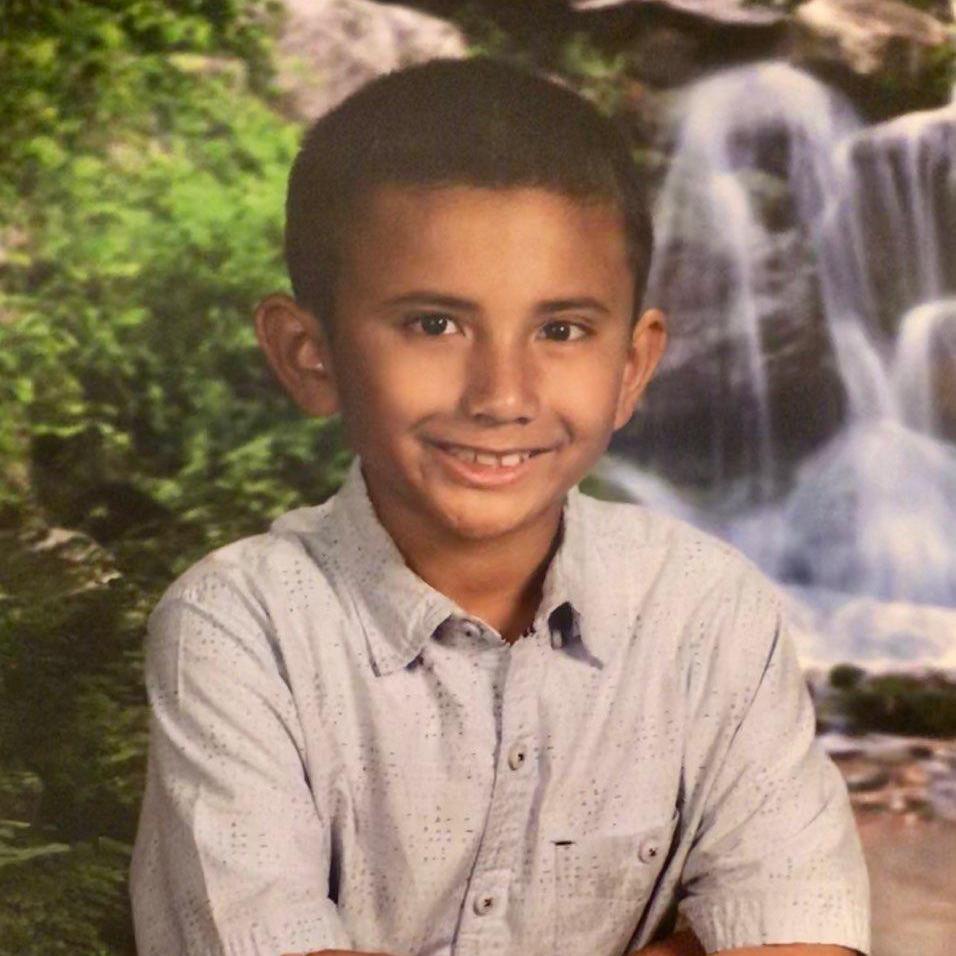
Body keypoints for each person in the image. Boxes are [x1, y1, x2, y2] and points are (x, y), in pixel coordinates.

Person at [129, 57, 870, 956]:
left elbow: (802, 933)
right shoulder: (240, 628)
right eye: (434, 324)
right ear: (308, 354)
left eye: (561, 330)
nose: (502, 395)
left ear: (631, 367)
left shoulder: (709, 611)